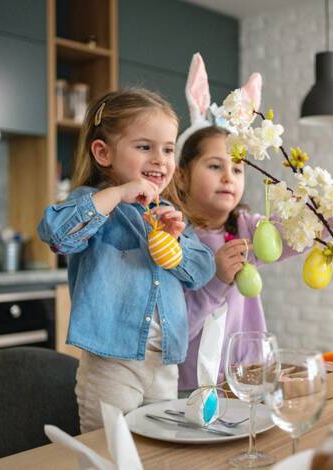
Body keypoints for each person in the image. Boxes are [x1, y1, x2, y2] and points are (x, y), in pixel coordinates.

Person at [38, 88, 216, 432]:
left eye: (168, 149)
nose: (160, 159)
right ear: (103, 153)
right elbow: (57, 234)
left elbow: (201, 271)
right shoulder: (93, 203)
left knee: (158, 448)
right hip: (111, 361)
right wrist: (118, 194)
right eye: (144, 147)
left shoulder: (169, 213)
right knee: (109, 448)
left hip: (163, 362)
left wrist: (176, 244)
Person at [172, 124, 333, 392]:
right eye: (215, 166)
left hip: (248, 377)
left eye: (237, 169)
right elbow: (174, 333)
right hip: (192, 386)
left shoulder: (246, 229)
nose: (228, 177)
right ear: (181, 176)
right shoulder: (173, 241)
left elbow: (297, 232)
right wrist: (217, 281)